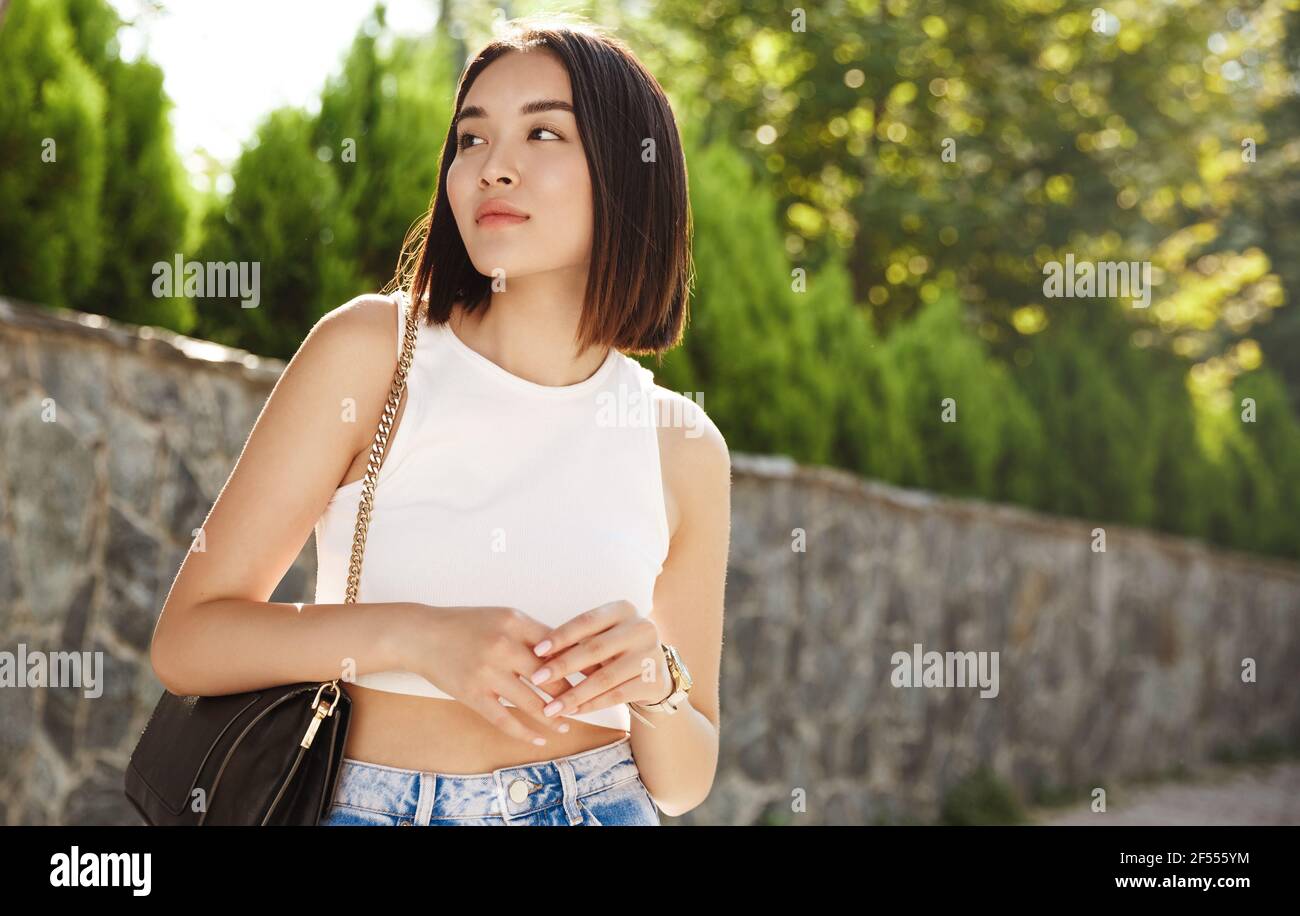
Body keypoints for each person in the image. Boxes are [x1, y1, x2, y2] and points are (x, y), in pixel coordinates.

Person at [149, 15, 730, 826]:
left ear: (630, 173)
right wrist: (416, 637)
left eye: (543, 134)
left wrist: (658, 685)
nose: (494, 168)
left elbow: (683, 779)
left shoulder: (683, 444)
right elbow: (188, 644)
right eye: (470, 139)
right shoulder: (371, 353)